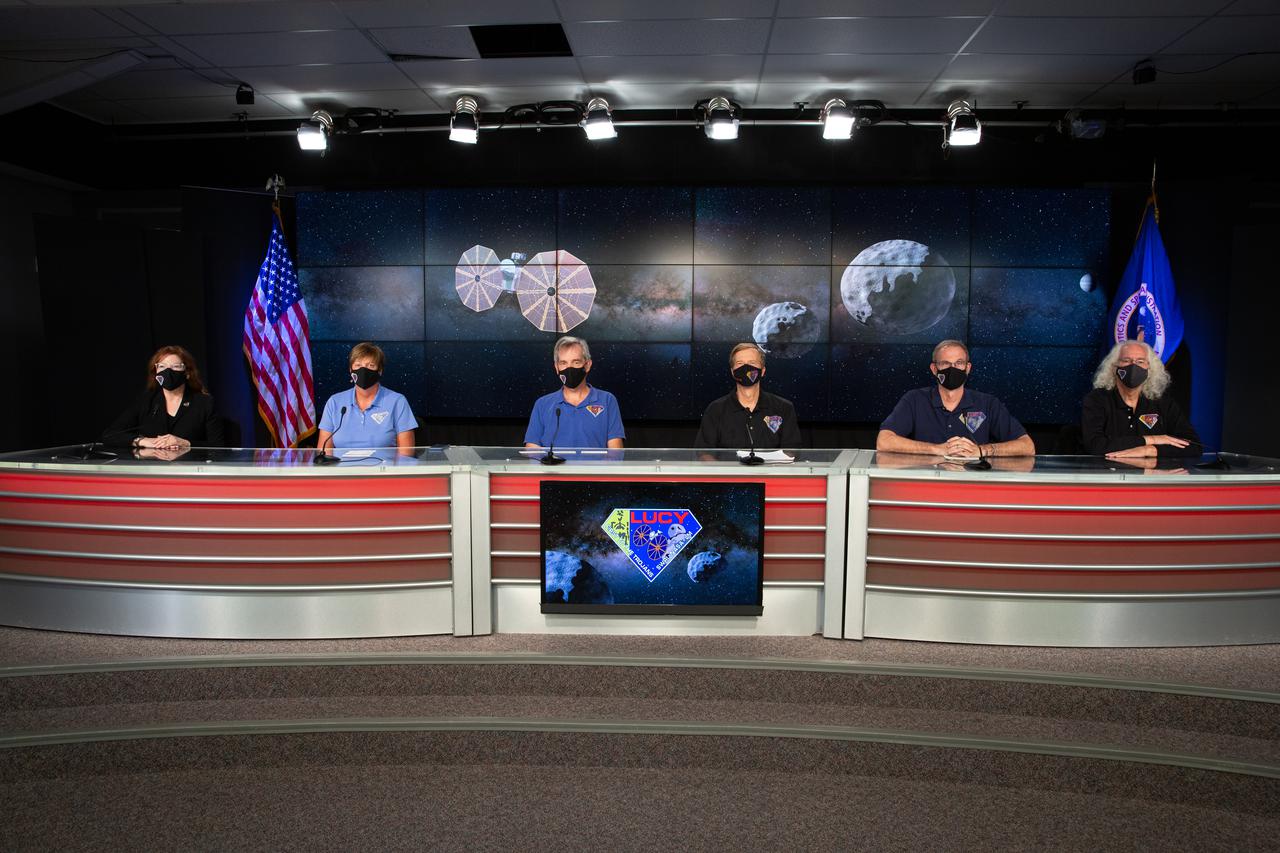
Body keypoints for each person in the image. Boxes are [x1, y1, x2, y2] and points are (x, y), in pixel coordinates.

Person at [876, 339, 1035, 457]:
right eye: (945, 363)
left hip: (973, 486)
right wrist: (937, 449)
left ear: (968, 368)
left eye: (959, 363)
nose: (952, 369)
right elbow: (884, 441)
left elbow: (1027, 446)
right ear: (934, 369)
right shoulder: (915, 399)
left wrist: (980, 451)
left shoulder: (988, 403)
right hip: (926, 483)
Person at [1082, 339, 1200, 459]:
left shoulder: (1163, 403)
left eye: (1140, 361)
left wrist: (1149, 450)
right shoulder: (1097, 400)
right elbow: (1095, 446)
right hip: (1108, 475)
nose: (1133, 366)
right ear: (1114, 367)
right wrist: (1152, 439)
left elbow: (1194, 446)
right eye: (1126, 360)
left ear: (1149, 369)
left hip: (1151, 476)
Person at [103, 345, 225, 451]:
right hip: (154, 471)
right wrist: (142, 441)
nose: (168, 371)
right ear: (156, 372)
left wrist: (186, 444)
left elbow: (218, 447)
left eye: (175, 366)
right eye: (162, 366)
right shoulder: (146, 401)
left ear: (187, 373)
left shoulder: (204, 403)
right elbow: (110, 435)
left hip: (190, 471)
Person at [695, 343, 802, 449]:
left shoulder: (784, 408)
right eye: (740, 363)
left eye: (752, 362)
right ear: (732, 372)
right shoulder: (715, 410)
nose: (746, 368)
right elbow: (704, 452)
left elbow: (792, 451)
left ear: (763, 371)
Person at [524, 336, 625, 449]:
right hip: (554, 467)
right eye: (563, 363)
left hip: (594, 467)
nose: (569, 368)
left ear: (587, 365)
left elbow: (615, 452)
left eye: (576, 362)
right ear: (556, 367)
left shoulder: (607, 400)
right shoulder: (542, 404)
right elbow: (532, 448)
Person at [316, 342, 417, 453]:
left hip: (384, 469)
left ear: (380, 371)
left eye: (370, 365)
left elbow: (406, 454)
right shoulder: (334, 402)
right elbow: (324, 453)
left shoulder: (397, 401)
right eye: (358, 365)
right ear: (350, 370)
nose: (363, 370)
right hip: (343, 469)